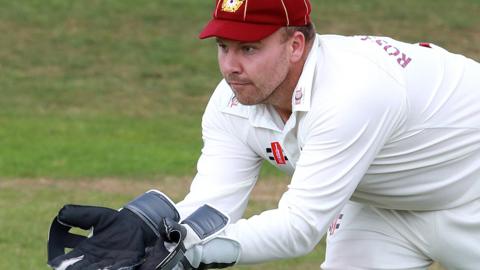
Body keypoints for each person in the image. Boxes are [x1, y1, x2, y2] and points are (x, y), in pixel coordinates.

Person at [48, 0, 480, 269]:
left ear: (295, 45)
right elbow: (213, 207)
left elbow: (299, 228)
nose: (231, 66)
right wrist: (145, 232)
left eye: (249, 48)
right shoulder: (231, 100)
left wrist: (186, 255)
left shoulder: (352, 91)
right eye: (223, 47)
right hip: (382, 207)